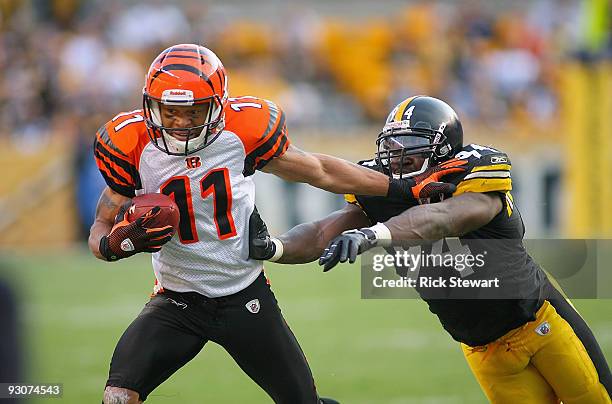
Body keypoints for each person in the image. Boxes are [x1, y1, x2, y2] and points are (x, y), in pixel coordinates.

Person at [88, 44, 445, 404]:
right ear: (151, 106)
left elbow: (320, 171)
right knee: (118, 395)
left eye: (193, 111)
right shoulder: (130, 144)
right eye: (170, 111)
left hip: (243, 294)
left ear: (217, 105)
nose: (180, 123)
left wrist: (401, 188)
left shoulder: (243, 132)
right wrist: (113, 244)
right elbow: (100, 228)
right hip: (176, 300)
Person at [250, 95, 612, 403]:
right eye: (392, 145)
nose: (397, 156)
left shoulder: (474, 180)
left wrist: (374, 235)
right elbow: (320, 232)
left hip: (539, 321)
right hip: (481, 349)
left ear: (443, 148)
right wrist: (275, 247)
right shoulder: (380, 190)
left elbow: (445, 218)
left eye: (410, 145)